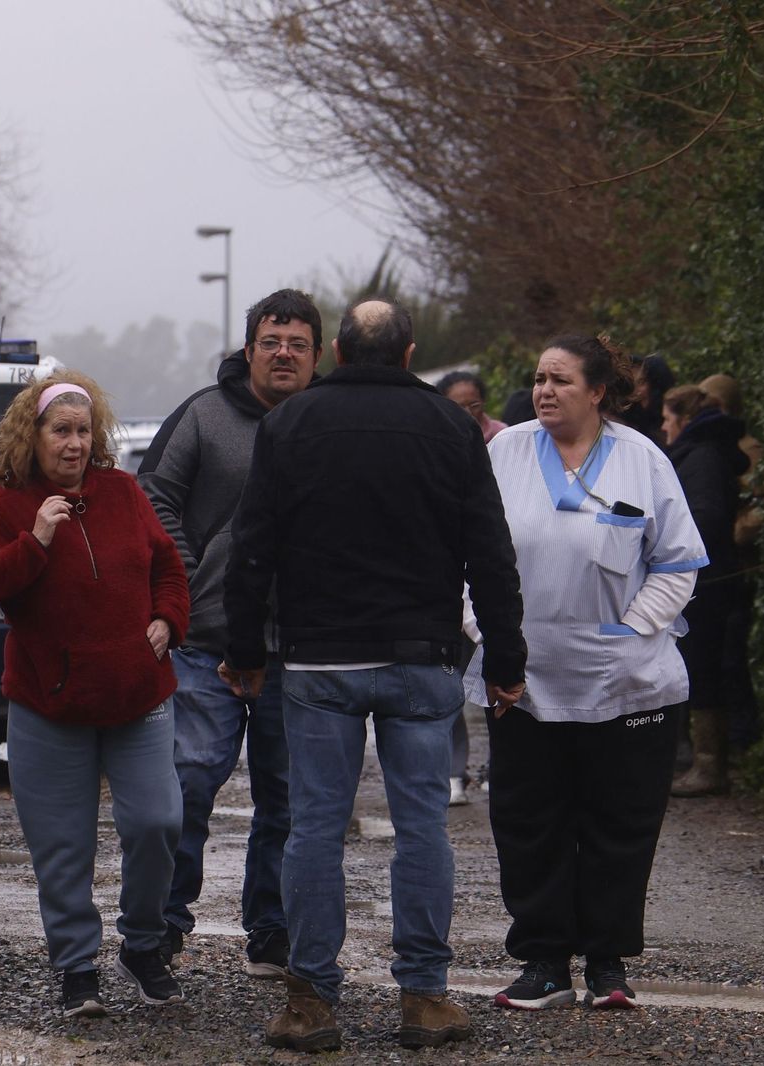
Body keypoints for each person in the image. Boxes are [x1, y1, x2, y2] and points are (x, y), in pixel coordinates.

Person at [222, 298, 528, 1053]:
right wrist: (507, 662)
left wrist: (246, 652)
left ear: (337, 354)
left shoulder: (289, 425)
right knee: (423, 829)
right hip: (421, 657)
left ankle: (311, 1002)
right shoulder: (453, 428)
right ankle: (423, 997)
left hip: (321, 658)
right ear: (407, 352)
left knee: (314, 829)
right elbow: (489, 552)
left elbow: (252, 547)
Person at [466, 333, 705, 1012]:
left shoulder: (642, 460)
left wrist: (631, 632)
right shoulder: (504, 453)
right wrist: (490, 633)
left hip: (627, 676)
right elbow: (468, 557)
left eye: (561, 381)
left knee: (618, 822)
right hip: (523, 676)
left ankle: (607, 963)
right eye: (539, 378)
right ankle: (541, 961)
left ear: (599, 391)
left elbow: (679, 561)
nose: (543, 391)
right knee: (530, 820)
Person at [0, 370, 191, 1019]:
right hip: (47, 706)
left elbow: (167, 563)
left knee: (158, 821)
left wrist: (169, 619)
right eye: (62, 431)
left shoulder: (123, 492)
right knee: (63, 846)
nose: (76, 444)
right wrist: (36, 540)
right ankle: (76, 966)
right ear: (34, 435)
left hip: (137, 696)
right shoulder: (5, 504)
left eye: (85, 431)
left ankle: (142, 946)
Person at [137, 288, 320, 980]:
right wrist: (186, 580)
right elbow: (155, 497)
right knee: (186, 787)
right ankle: (164, 925)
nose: (283, 354)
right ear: (250, 350)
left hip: (295, 649)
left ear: (317, 355)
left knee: (287, 797)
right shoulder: (204, 415)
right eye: (271, 341)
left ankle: (270, 929)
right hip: (204, 642)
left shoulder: (324, 422)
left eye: (297, 344)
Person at [662, 385, 749, 796]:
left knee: (703, 669)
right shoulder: (704, 454)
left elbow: (705, 517)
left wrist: (670, 549)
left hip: (706, 583)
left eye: (666, 418)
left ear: (682, 419)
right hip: (708, 578)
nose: (662, 427)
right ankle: (704, 761)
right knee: (702, 666)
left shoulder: (700, 458)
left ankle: (709, 765)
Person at [436, 369, 509, 806]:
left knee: (496, 679)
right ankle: (452, 773)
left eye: (474, 405)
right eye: (458, 406)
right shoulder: (432, 441)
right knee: (448, 685)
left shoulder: (504, 441)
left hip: (488, 575)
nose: (468, 414)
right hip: (447, 582)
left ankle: (501, 767)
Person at [698, 373, 764, 751]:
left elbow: (760, 510)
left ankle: (742, 737)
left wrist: (730, 528)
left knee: (732, 659)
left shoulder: (747, 450)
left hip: (740, 566)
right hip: (721, 566)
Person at [437, 370, 508, 444]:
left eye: (474, 405)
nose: (468, 412)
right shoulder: (439, 442)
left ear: (483, 402)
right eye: (459, 408)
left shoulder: (502, 434)